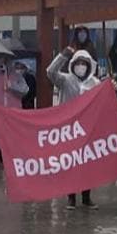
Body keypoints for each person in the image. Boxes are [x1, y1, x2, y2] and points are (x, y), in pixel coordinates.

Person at [47, 47, 102, 210]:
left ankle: (86, 197)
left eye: (83, 63)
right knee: (70, 164)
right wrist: (62, 56)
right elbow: (50, 72)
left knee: (87, 164)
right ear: (73, 64)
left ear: (88, 65)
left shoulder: (94, 83)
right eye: (77, 63)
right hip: (69, 130)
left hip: (88, 128)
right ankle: (71, 197)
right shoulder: (65, 80)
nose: (80, 66)